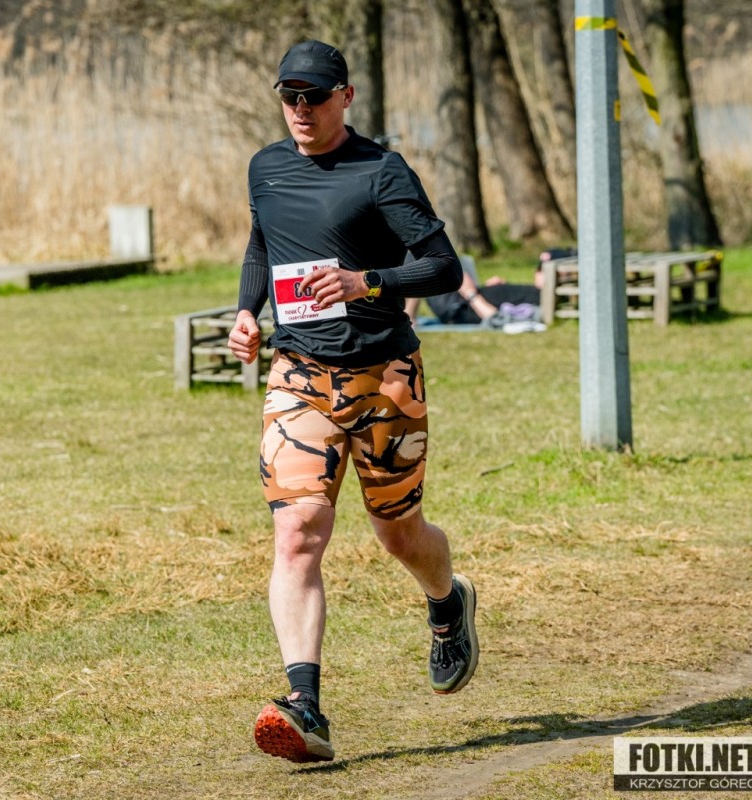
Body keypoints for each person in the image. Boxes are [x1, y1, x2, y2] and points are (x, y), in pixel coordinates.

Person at [226, 40, 480, 764]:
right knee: (297, 530)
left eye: (315, 95)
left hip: (384, 375)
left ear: (346, 96)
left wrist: (365, 281)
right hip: (299, 375)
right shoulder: (266, 167)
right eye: (290, 96)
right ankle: (304, 705)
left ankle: (447, 601)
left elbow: (443, 268)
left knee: (399, 535)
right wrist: (247, 311)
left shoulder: (381, 171)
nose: (301, 108)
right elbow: (262, 246)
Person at [404, 255, 542, 327]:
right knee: (425, 256)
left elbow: (498, 320)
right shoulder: (536, 293)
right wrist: (494, 288)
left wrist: (471, 294)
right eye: (539, 268)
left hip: (457, 307)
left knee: (418, 258)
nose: (538, 272)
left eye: (543, 270)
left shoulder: (540, 302)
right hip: (464, 297)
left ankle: (408, 319)